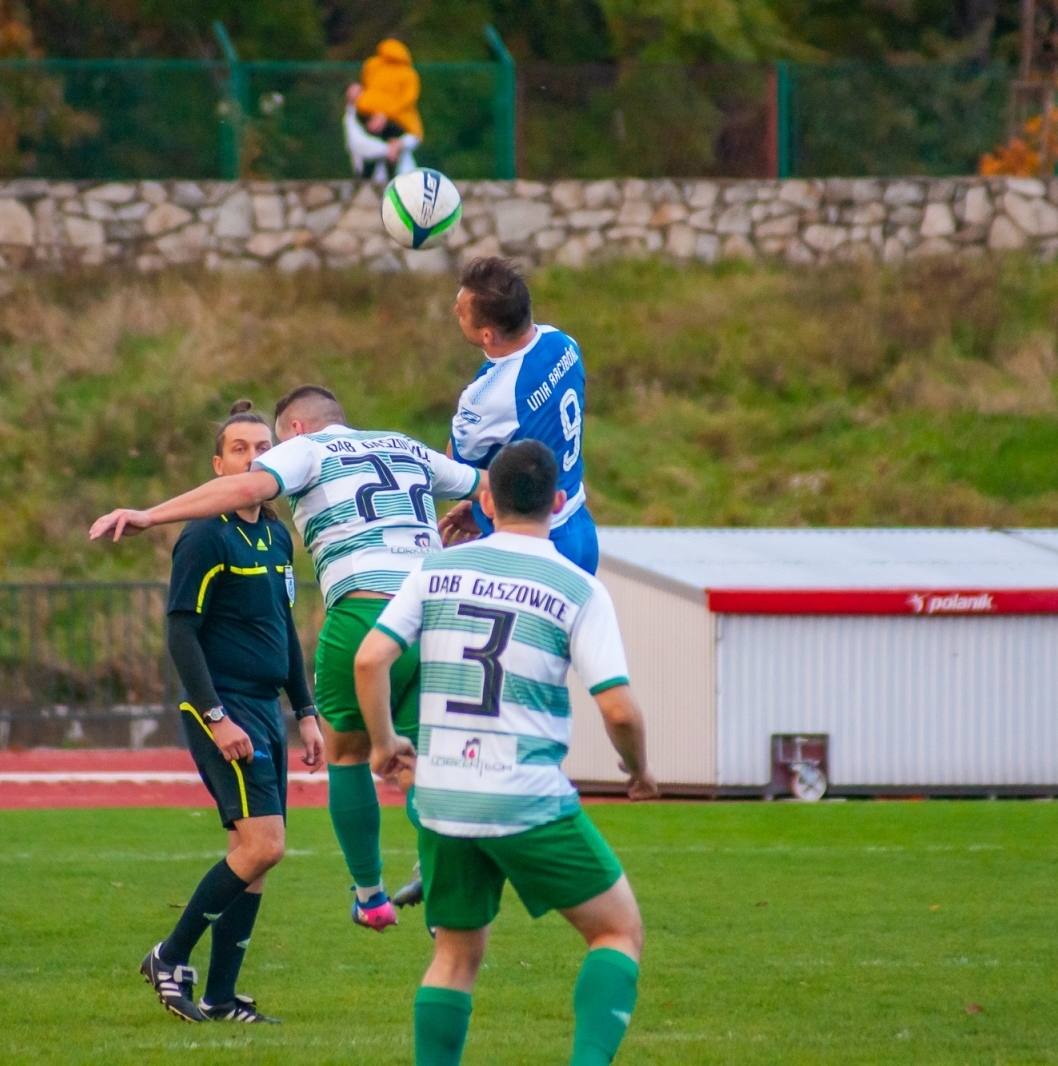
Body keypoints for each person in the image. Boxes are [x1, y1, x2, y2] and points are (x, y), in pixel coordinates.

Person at [89, 385, 481, 932]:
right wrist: (471, 510)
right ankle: (447, 894)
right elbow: (491, 484)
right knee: (421, 766)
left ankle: (370, 898)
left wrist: (152, 515)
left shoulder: (309, 451)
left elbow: (248, 485)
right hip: (435, 618)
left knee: (348, 758)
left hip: (366, 611)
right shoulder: (405, 445)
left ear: (293, 430)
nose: (263, 458)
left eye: (268, 445)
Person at [355, 440, 658, 1066]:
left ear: (486, 500)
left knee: (455, 954)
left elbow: (370, 658)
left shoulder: (435, 569)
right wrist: (638, 770)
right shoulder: (577, 588)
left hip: (441, 794)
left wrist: (385, 744)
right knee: (616, 931)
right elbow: (620, 709)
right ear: (556, 502)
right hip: (522, 792)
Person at [138, 402, 326, 1024]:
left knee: (255, 855)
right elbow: (181, 634)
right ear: (218, 466)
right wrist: (217, 716)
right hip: (227, 708)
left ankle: (220, 997)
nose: (253, 458)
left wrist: (305, 711)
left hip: (268, 709)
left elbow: (283, 629)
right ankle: (169, 955)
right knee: (263, 846)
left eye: (261, 447)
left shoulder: (275, 535)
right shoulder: (205, 535)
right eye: (239, 449)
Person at [439, 257, 600, 575]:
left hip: (535, 546)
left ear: (487, 336)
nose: (455, 311)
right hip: (579, 531)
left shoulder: (486, 397)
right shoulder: (563, 343)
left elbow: (455, 467)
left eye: (461, 311)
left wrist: (484, 501)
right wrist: (488, 506)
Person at [344, 38, 422, 183]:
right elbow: (359, 143)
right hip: (375, 177)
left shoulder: (375, 67)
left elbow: (412, 137)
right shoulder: (356, 116)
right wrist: (388, 149)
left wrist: (396, 144)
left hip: (400, 177)